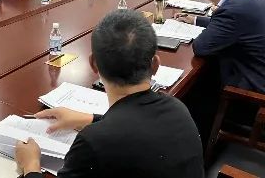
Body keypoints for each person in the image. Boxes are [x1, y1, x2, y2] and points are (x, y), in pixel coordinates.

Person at [15, 10, 204, 178]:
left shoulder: (93, 142)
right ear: (155, 65)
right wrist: (88, 119)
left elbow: (121, 134)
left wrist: (31, 165)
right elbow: (135, 129)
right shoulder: (178, 109)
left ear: (93, 65)